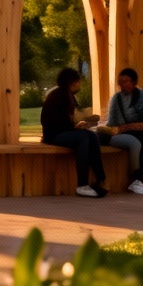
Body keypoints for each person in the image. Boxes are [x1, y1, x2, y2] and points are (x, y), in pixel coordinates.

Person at [40, 67, 106, 198]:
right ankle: (82, 184)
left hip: (63, 131)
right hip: (53, 135)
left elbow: (67, 120)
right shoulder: (59, 96)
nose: (78, 84)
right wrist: (75, 127)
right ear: (72, 82)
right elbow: (55, 123)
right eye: (77, 81)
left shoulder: (68, 95)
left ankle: (100, 178)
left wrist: (77, 126)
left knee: (92, 136)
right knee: (83, 139)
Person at [101, 66, 143, 195]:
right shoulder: (116, 98)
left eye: (126, 81)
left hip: (140, 132)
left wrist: (129, 127)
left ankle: (138, 180)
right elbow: (111, 122)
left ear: (134, 82)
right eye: (120, 82)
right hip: (123, 133)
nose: (122, 85)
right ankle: (137, 179)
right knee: (138, 143)